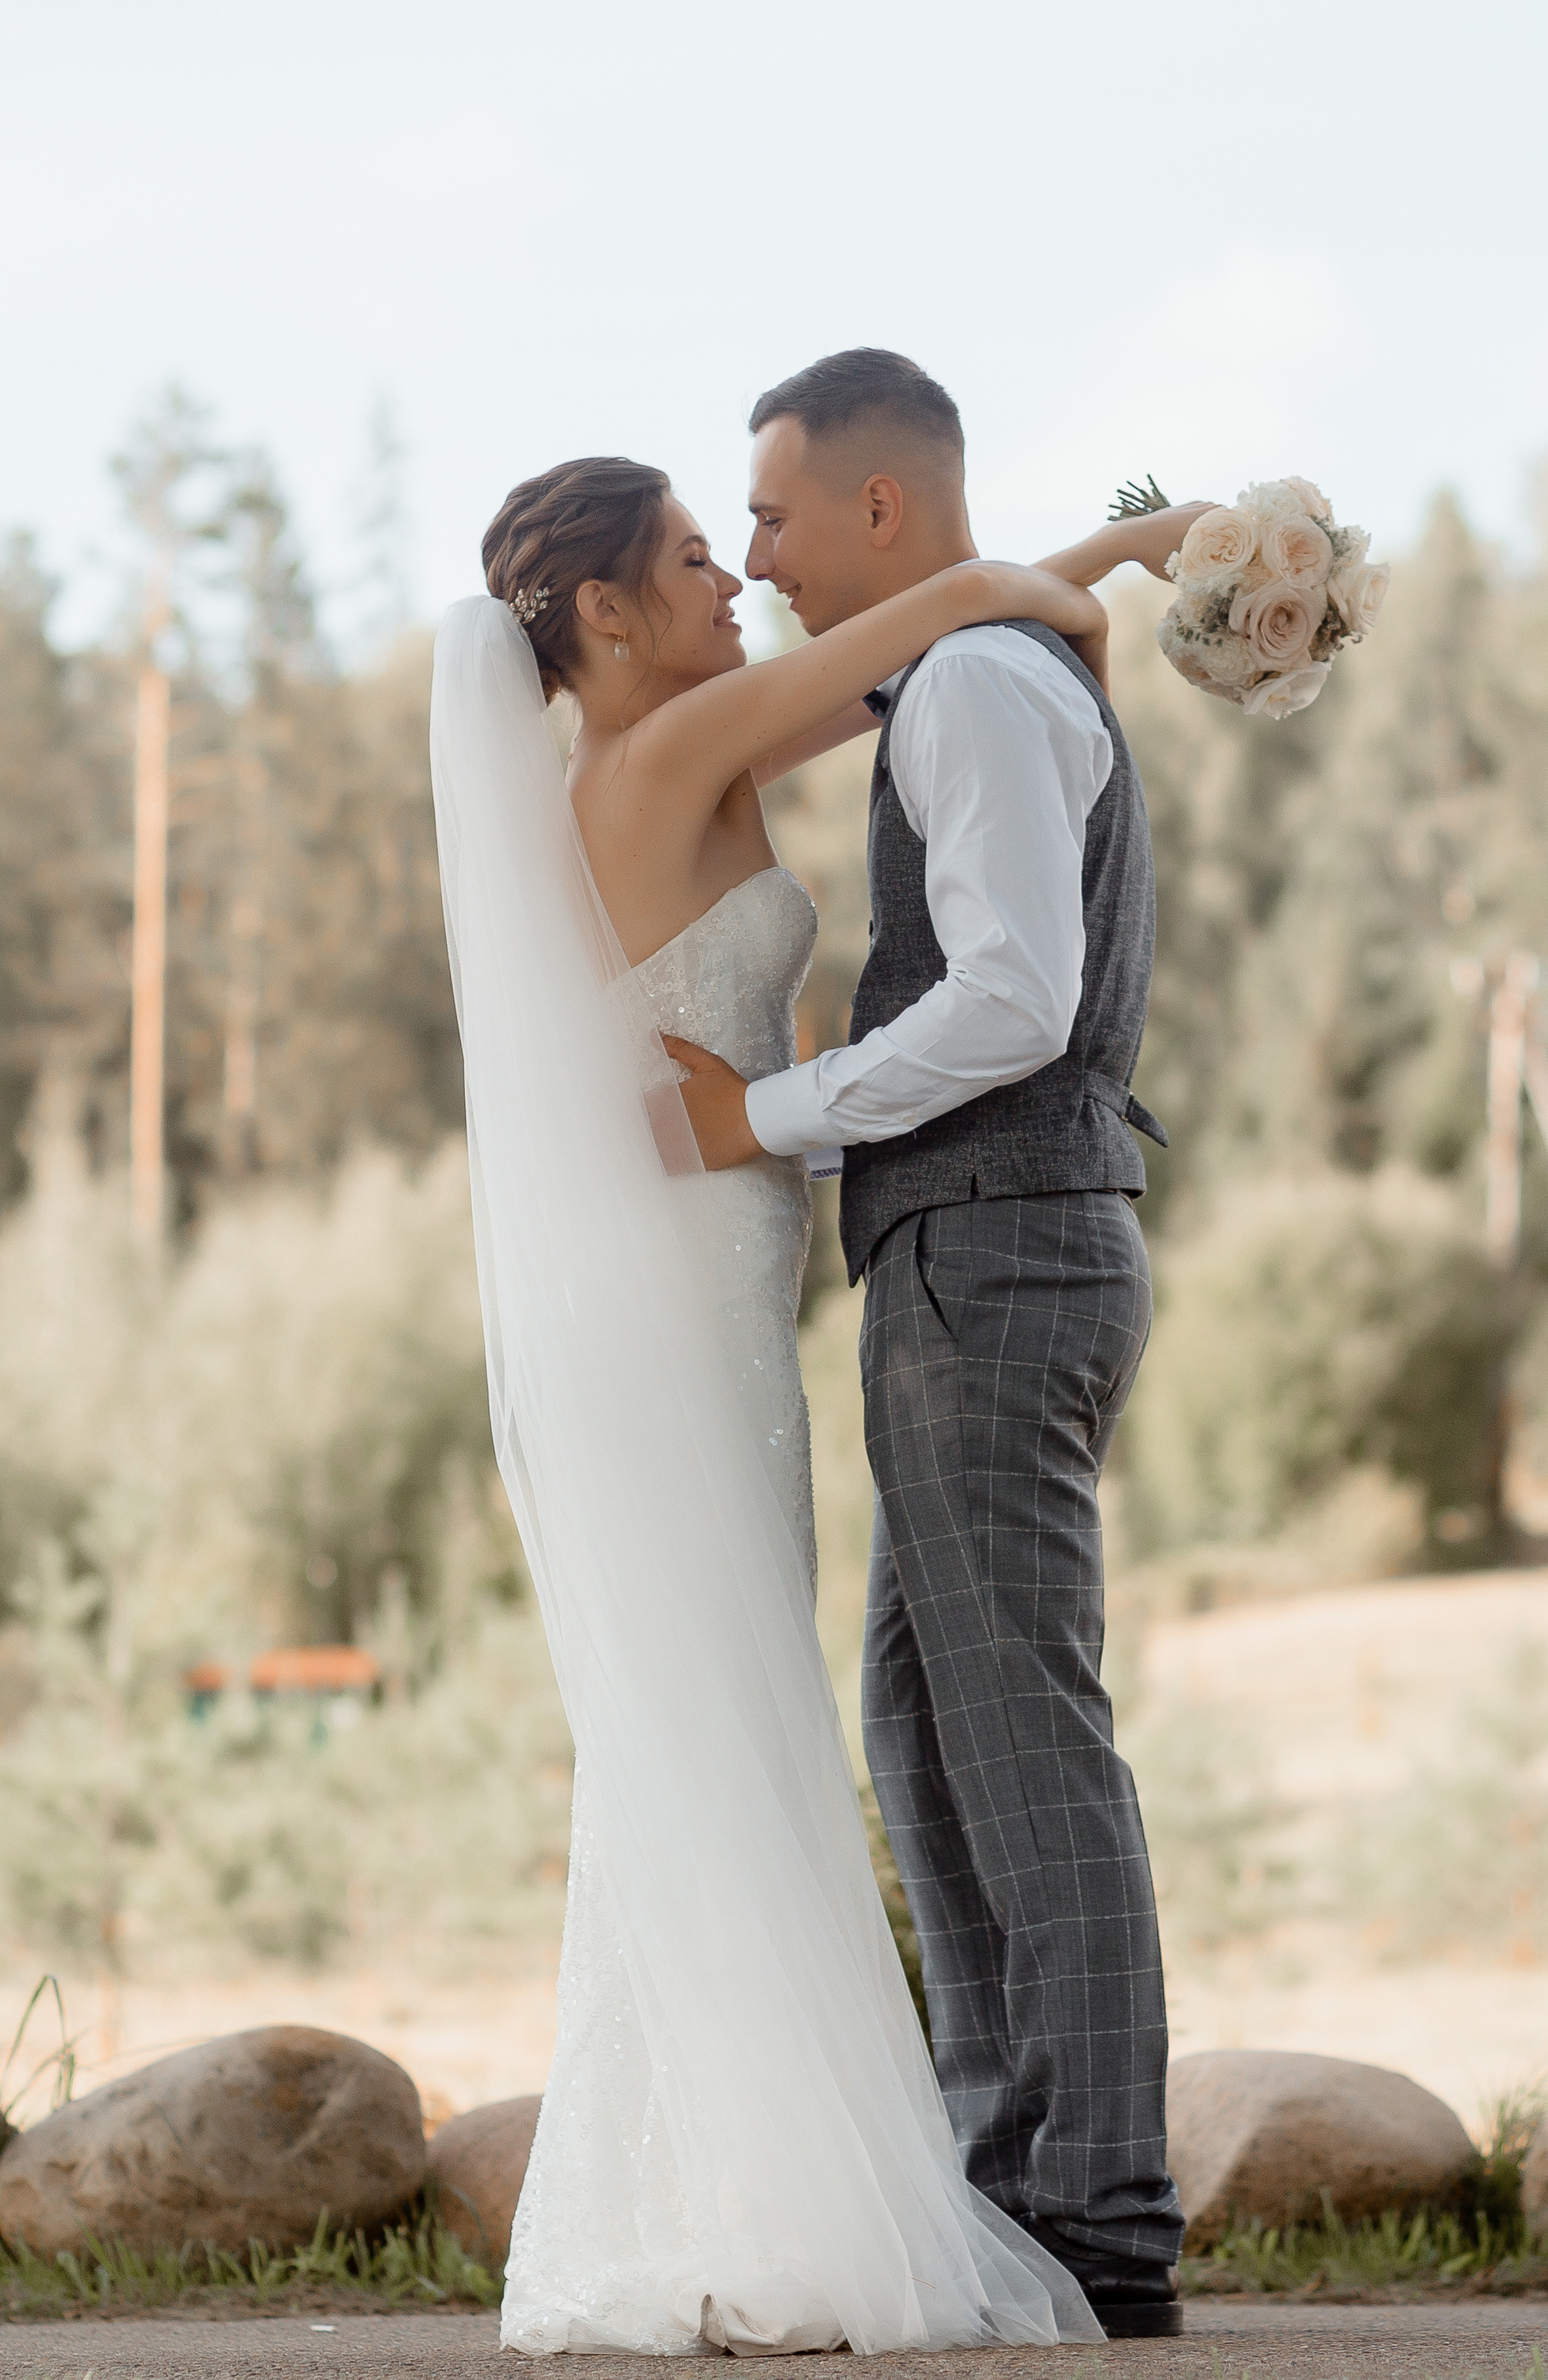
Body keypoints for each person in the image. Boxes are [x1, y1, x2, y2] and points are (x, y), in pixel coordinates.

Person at [429, 434, 1198, 2353]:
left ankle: (720, 2189)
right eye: (695, 557)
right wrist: (1144, 541)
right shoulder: (664, 753)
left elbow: (928, 643)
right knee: (736, 1721)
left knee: (712, 1724)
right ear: (599, 613)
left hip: (704, 1292)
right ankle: (778, 2207)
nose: (731, 581)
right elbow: (924, 621)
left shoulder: (636, 764)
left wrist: (1089, 567)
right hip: (693, 1305)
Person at [670, 348, 1199, 2338]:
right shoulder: (977, 662)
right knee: (934, 1733)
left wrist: (767, 1118)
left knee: (1019, 1740)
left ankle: (1099, 2224)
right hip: (983, 1250)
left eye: (779, 516)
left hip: (992, 1251)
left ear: (880, 511)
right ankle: (1019, 2193)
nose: (757, 551)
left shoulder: (973, 685)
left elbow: (1010, 1003)